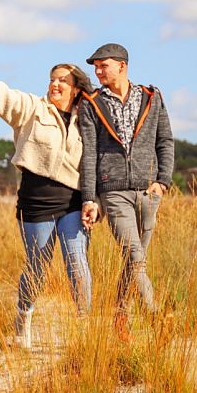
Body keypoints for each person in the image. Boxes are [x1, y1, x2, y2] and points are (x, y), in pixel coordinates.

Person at [0, 57, 95, 349]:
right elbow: (3, 97)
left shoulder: (89, 119)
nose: (55, 84)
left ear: (77, 89)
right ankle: (22, 326)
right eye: (52, 78)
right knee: (37, 266)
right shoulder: (33, 108)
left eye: (62, 80)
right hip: (36, 203)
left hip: (74, 202)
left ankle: (86, 332)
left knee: (77, 261)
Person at [78, 43, 174, 343]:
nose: (97, 71)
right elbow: (89, 152)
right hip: (113, 191)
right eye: (95, 66)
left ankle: (120, 315)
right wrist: (90, 198)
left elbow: (165, 140)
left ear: (122, 65)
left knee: (136, 261)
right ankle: (157, 316)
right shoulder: (91, 103)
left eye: (102, 65)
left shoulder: (151, 97)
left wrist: (163, 181)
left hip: (148, 191)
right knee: (134, 254)